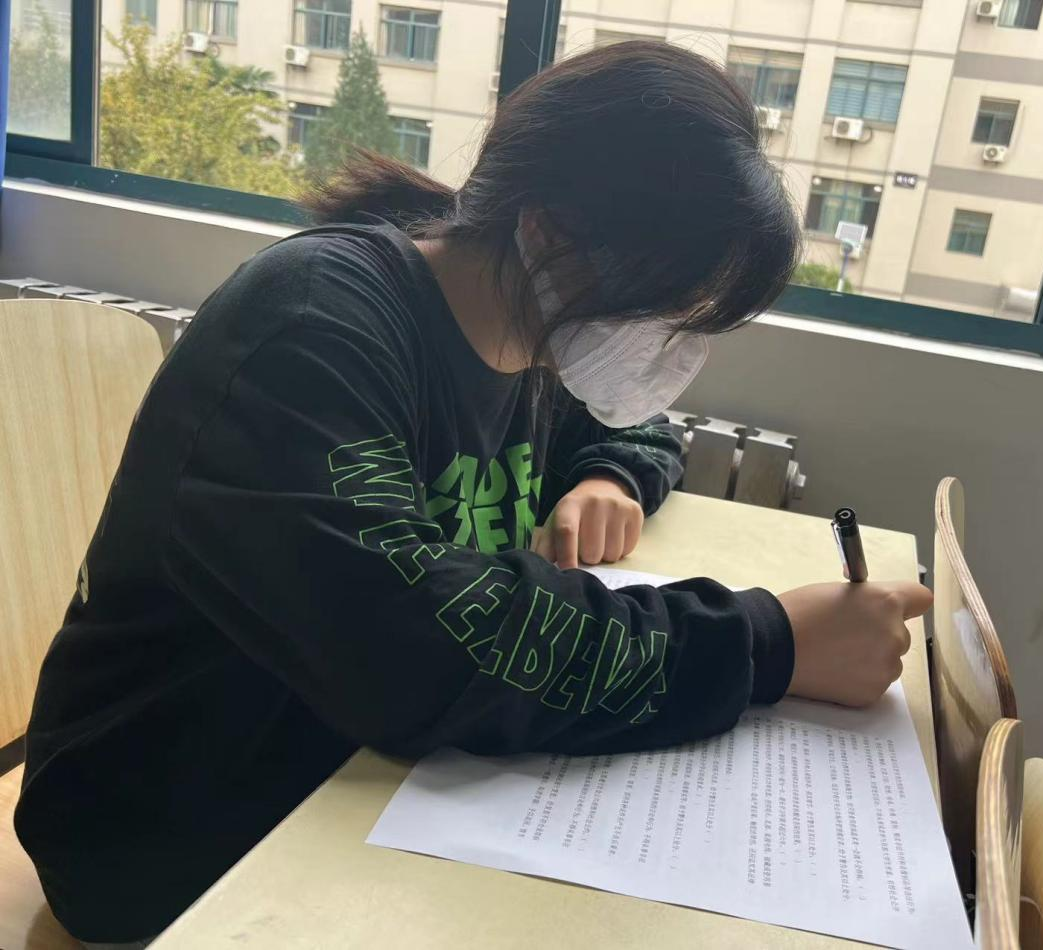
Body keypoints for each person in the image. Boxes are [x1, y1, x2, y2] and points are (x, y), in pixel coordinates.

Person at [16, 41, 930, 944]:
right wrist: (765, 645)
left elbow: (634, 424)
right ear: (550, 235)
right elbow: (422, 647)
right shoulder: (311, 330)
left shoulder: (524, 329)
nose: (671, 349)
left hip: (348, 775)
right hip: (168, 831)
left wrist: (607, 475)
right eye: (666, 309)